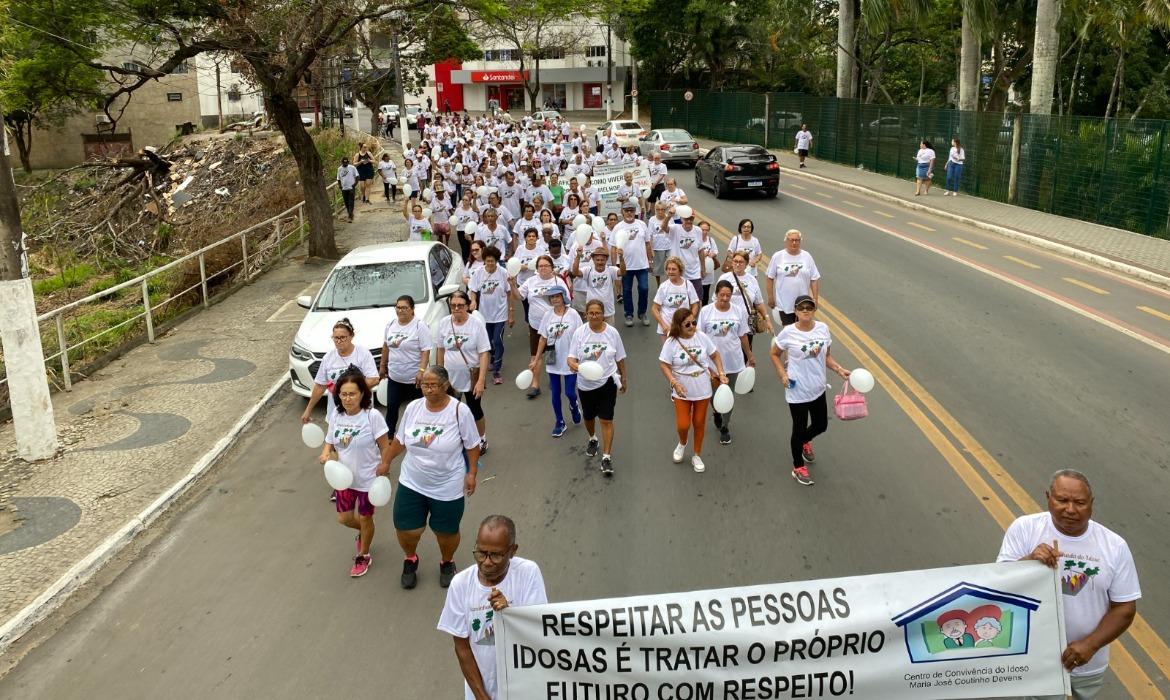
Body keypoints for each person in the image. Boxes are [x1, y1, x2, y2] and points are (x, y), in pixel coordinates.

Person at [997, 469, 1141, 700]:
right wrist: (1028, 562)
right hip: (1038, 658)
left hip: (1088, 664)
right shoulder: (1025, 529)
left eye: (1079, 502)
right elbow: (999, 584)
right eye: (1062, 500)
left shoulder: (1114, 546)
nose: (1070, 509)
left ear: (1091, 504)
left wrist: (1090, 645)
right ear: (1048, 497)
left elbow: (1124, 608)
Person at [383, 365, 482, 589]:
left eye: (433, 385)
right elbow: (400, 440)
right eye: (424, 385)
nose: (427, 389)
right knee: (406, 528)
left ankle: (447, 562)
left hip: (447, 484)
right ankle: (410, 559)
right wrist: (386, 461)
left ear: (445, 385)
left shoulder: (459, 411)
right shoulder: (413, 408)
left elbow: (472, 445)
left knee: (446, 531)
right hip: (412, 481)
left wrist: (472, 473)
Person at [438, 515, 547, 700]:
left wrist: (510, 614)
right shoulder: (460, 584)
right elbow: (462, 648)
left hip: (525, 689)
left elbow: (539, 633)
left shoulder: (528, 573)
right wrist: (482, 696)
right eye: (481, 553)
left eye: (495, 555)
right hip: (481, 691)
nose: (486, 562)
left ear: (513, 551)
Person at [317, 368, 392, 577]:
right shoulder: (337, 415)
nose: (347, 398)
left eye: (352, 393)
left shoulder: (372, 416)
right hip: (345, 479)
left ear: (362, 394)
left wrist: (385, 466)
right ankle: (366, 530)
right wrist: (325, 454)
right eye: (343, 394)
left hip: (368, 479)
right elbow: (330, 440)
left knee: (366, 517)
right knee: (344, 518)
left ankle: (363, 555)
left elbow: (385, 446)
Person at [770, 295, 850, 486]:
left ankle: (803, 441)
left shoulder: (823, 329)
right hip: (797, 389)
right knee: (798, 428)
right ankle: (798, 467)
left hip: (818, 387)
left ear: (814, 310)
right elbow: (774, 353)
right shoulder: (788, 332)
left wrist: (839, 369)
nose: (806, 310)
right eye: (802, 308)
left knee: (821, 425)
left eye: (809, 307)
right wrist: (783, 374)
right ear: (796, 312)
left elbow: (826, 356)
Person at [658, 307, 728, 473]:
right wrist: (674, 382)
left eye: (694, 322)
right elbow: (664, 364)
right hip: (682, 389)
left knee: (698, 422)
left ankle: (697, 455)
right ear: (679, 326)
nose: (692, 326)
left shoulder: (702, 337)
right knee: (683, 425)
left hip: (702, 387)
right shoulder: (672, 342)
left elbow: (715, 355)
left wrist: (721, 372)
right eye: (687, 324)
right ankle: (682, 443)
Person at [567, 299, 628, 476]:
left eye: (598, 313)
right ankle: (593, 438)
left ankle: (606, 457)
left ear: (603, 314)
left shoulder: (612, 333)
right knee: (588, 417)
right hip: (585, 384)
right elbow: (571, 358)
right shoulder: (579, 333)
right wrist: (575, 366)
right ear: (586, 315)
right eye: (591, 313)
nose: (594, 316)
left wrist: (624, 377)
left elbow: (620, 357)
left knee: (606, 419)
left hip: (607, 381)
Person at [698, 280, 753, 445]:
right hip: (712, 363)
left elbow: (743, 335)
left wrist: (749, 355)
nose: (724, 298)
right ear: (716, 294)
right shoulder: (706, 311)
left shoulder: (737, 311)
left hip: (733, 361)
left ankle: (725, 426)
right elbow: (699, 337)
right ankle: (716, 411)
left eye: (728, 295)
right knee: (713, 394)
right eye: (721, 295)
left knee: (729, 394)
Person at [436, 291, 491, 453]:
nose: (456, 308)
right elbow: (440, 349)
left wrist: (481, 380)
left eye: (460, 305)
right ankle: (457, 440)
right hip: (450, 378)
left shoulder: (476, 324)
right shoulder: (444, 323)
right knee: (451, 411)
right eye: (453, 305)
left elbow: (483, 353)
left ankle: (482, 439)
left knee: (475, 410)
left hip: (470, 377)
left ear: (467, 306)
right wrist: (440, 374)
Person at [301, 318, 379, 425]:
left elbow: (374, 379)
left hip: (361, 413)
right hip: (337, 414)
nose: (338, 341)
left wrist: (348, 390)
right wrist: (308, 409)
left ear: (351, 336)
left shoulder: (363, 354)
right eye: (335, 338)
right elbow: (320, 386)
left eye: (342, 337)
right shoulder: (328, 358)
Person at [528, 287, 583, 437]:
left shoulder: (573, 314)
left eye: (557, 296)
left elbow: (580, 336)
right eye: (551, 297)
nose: (554, 299)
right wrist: (537, 359)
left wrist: (580, 356)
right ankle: (559, 422)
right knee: (555, 393)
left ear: (563, 297)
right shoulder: (547, 315)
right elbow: (543, 338)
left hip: (570, 359)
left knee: (570, 392)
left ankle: (574, 405)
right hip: (553, 359)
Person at [379, 295, 434, 436]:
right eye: (398, 307)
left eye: (405, 308)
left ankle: (416, 435)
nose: (401, 311)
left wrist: (421, 371)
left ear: (412, 309)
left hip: (414, 379)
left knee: (417, 409)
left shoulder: (419, 325)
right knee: (391, 408)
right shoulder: (390, 325)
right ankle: (389, 436)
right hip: (395, 377)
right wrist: (382, 366)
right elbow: (386, 346)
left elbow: (425, 350)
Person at [515, 255, 563, 399]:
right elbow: (519, 296)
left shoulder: (558, 281)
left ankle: (552, 379)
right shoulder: (530, 281)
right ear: (536, 268)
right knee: (535, 355)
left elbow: (566, 301)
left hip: (553, 324)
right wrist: (512, 285)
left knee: (550, 353)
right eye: (540, 266)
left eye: (546, 266)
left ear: (551, 268)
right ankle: (535, 384)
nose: (543, 268)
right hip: (535, 324)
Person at [468, 246, 514, 385]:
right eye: (487, 261)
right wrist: (474, 300)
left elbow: (509, 292)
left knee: (497, 340)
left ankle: (497, 371)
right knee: (488, 342)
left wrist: (511, 312)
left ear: (496, 261)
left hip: (500, 314)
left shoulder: (503, 273)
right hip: (483, 315)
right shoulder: (478, 273)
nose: (490, 264)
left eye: (492, 261)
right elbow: (473, 290)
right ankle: (493, 358)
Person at [765, 229, 820, 328]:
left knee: (803, 331)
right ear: (786, 241)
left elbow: (814, 278)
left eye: (797, 240)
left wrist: (815, 299)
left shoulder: (807, 256)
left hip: (804, 305)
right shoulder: (778, 256)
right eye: (791, 240)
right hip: (784, 304)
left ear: (800, 241)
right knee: (789, 333)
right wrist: (770, 297)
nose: (794, 242)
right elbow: (770, 278)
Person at [614, 202, 653, 327]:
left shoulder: (642, 224)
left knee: (644, 288)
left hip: (642, 264)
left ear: (635, 211)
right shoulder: (618, 227)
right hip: (626, 266)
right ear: (622, 212)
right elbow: (613, 247)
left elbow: (647, 243)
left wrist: (650, 260)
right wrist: (615, 264)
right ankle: (629, 314)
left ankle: (642, 313)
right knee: (626, 290)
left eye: (631, 210)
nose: (629, 213)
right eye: (627, 210)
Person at [652, 256, 700, 339]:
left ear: (680, 270)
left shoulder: (688, 285)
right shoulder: (664, 286)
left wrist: (689, 321)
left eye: (673, 269)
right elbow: (654, 308)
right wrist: (664, 325)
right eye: (668, 269)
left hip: (684, 328)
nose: (670, 272)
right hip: (667, 329)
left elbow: (695, 305)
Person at [572, 246, 622, 324]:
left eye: (602, 260)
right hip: (593, 312)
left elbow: (622, 272)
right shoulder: (588, 270)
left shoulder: (610, 270)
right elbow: (575, 273)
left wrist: (621, 258)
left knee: (608, 335)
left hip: (608, 311)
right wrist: (578, 257)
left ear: (606, 260)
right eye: (597, 260)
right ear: (593, 259)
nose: (600, 262)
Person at [337, 157, 358, 223]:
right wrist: (340, 186)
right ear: (342, 162)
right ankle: (350, 213)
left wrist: (354, 185)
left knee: (351, 202)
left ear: (348, 162)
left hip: (351, 188)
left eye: (347, 162)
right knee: (346, 202)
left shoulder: (352, 168)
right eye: (344, 162)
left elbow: (357, 176)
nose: (345, 163)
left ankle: (350, 216)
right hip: (344, 188)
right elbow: (338, 178)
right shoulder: (339, 169)